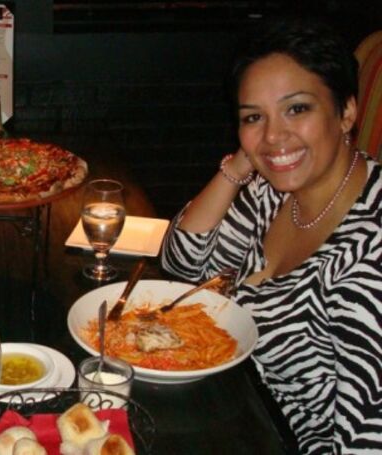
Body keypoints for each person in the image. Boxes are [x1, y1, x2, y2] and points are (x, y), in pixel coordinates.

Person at [161, 18, 382, 453]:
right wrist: (242, 164)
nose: (273, 135)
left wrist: (269, 151)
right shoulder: (275, 193)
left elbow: (365, 439)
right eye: (253, 117)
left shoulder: (370, 259)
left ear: (346, 112)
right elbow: (184, 263)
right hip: (233, 408)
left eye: (297, 109)